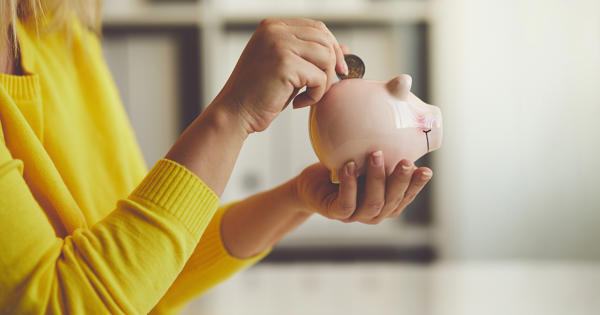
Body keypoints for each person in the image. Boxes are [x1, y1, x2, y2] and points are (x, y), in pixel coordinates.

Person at [0, 1, 433, 314]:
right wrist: (232, 115)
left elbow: (146, 275)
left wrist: (298, 196)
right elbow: (59, 302)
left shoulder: (59, 33)